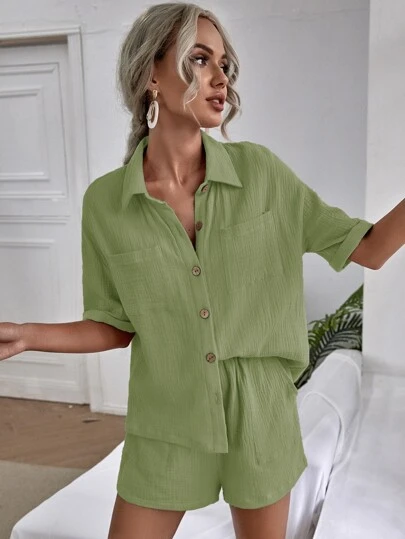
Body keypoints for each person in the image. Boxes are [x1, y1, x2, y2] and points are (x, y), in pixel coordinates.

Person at [0, 3, 378, 539]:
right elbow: (115, 324)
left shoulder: (262, 175)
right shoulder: (107, 204)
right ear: (150, 75)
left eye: (225, 64)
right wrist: (26, 336)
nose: (221, 77)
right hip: (167, 417)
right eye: (200, 59)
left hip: (261, 418)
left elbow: (370, 248)